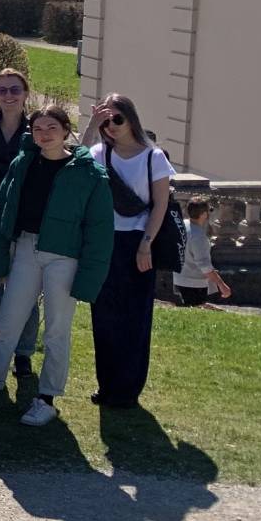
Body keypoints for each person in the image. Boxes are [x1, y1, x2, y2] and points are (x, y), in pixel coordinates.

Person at [0, 103, 113, 426]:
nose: (45, 134)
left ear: (66, 131)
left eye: (52, 128)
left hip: (63, 256)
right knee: (7, 323)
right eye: (38, 129)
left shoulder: (89, 173)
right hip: (25, 247)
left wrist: (89, 278)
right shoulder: (23, 163)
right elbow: (1, 213)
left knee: (56, 331)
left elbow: (100, 229)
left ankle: (47, 397)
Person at [86, 94, 173, 410]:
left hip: (138, 240)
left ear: (131, 119)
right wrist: (92, 126)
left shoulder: (153, 158)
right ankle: (107, 385)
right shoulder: (100, 153)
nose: (111, 126)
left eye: (116, 119)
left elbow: (160, 203)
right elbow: (78, 161)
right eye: (106, 121)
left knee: (135, 316)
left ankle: (128, 388)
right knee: (104, 315)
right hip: (106, 241)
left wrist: (145, 244)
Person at [0, 68, 38, 374]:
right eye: (2, 90)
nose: (9, 95)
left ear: (25, 94)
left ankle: (24, 352)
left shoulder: (37, 130)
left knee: (25, 287)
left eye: (15, 90)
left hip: (27, 220)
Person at [174, 196, 232, 307]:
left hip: (179, 278)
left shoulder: (182, 225)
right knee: (194, 311)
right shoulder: (199, 237)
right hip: (194, 283)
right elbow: (205, 266)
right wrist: (222, 285)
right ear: (204, 214)